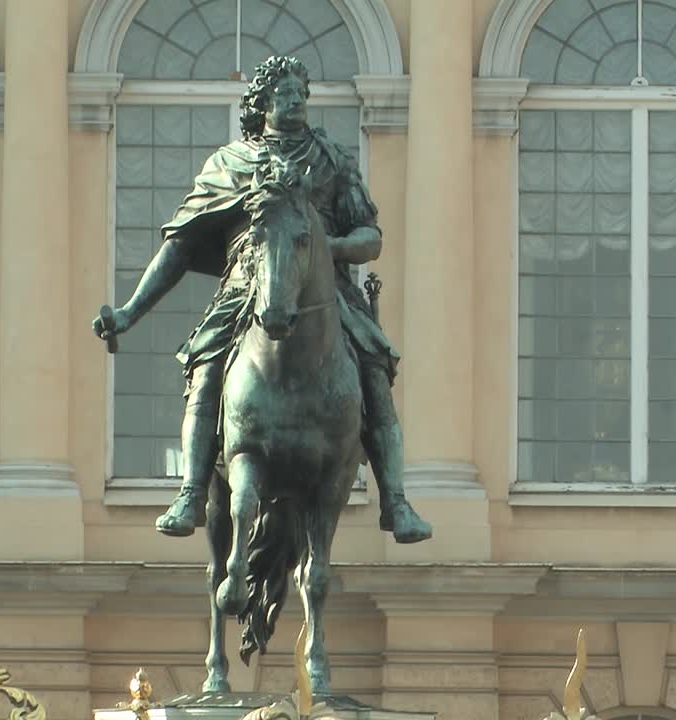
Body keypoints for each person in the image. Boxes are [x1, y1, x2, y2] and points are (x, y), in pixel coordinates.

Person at [93, 56, 432, 544]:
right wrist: (129, 311)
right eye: (283, 93)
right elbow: (180, 247)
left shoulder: (332, 160)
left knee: (375, 363)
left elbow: (369, 239)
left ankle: (396, 501)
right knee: (206, 362)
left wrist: (322, 250)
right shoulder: (229, 164)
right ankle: (191, 490)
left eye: (301, 93)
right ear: (261, 103)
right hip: (245, 288)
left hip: (326, 293)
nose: (295, 101)